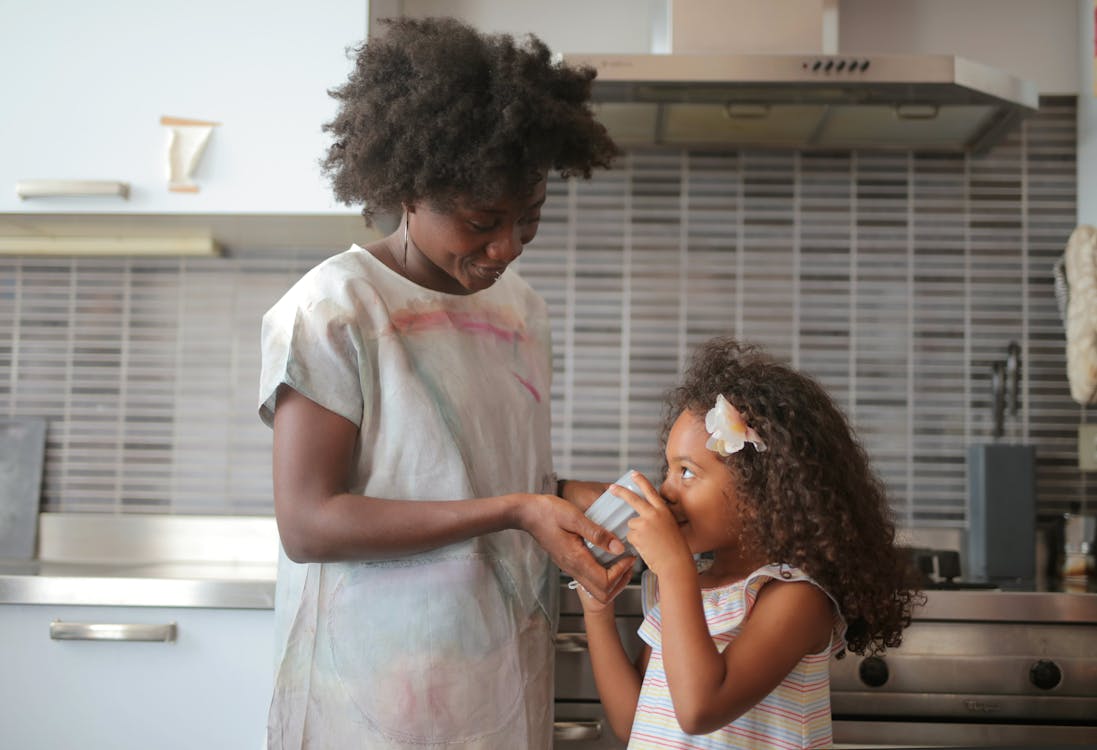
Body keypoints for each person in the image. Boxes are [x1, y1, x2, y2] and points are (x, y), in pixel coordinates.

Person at [257, 16, 632, 750]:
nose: (505, 247)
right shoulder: (335, 308)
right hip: (371, 696)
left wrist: (581, 504)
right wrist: (518, 510)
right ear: (408, 189)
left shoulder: (520, 309)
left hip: (499, 678)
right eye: (481, 221)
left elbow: (489, 480)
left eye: (528, 219)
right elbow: (308, 524)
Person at [578, 337, 922, 749]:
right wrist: (597, 610)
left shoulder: (795, 598)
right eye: (667, 470)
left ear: (762, 489)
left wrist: (673, 570)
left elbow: (699, 709)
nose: (665, 491)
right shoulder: (687, 587)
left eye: (686, 473)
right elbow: (634, 722)